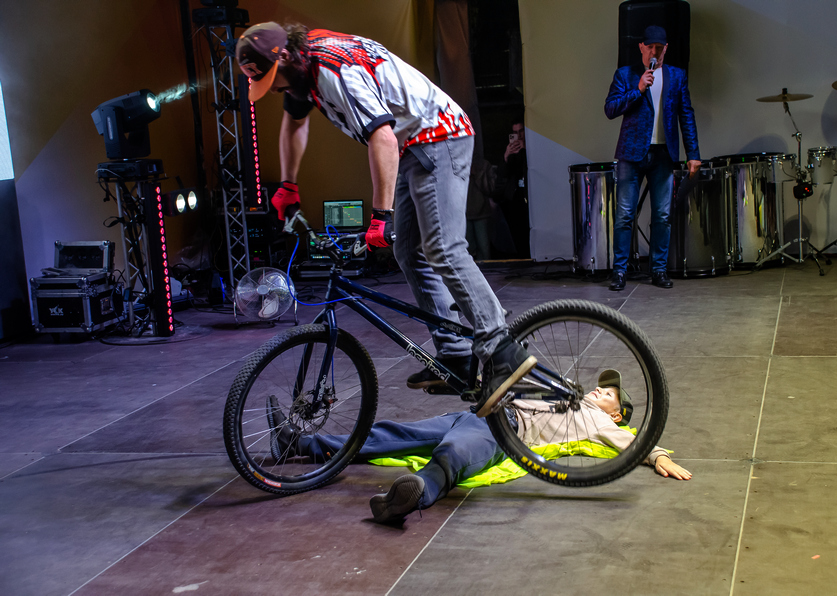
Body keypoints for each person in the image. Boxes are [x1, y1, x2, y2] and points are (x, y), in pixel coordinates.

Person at [235, 22, 535, 415]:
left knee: (443, 247)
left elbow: (383, 137)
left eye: (272, 78)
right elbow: (294, 122)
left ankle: (502, 348)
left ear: (286, 56)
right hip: (413, 146)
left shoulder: (333, 71)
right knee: (409, 253)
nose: (273, 88)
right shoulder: (301, 69)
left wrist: (381, 215)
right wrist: (288, 185)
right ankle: (456, 355)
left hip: (440, 135)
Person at [266, 369, 691, 524]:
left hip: (504, 429)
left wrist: (658, 457)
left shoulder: (600, 422)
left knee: (455, 454)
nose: (600, 391)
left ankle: (414, 496)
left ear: (616, 414)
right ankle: (299, 442)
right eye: (602, 387)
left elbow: (634, 443)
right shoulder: (569, 393)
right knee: (390, 434)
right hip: (477, 412)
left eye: (609, 394)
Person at [604, 25, 701, 291]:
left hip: (663, 154)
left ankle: (658, 269)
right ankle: (619, 271)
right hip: (631, 154)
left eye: (659, 48)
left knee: (662, 215)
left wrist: (693, 154)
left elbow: (686, 115)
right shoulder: (625, 74)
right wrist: (638, 89)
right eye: (650, 47)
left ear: (665, 48)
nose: (654, 52)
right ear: (641, 47)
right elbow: (610, 109)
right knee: (625, 215)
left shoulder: (677, 76)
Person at [498, 117, 530, 258]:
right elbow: (503, 174)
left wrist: (525, 149)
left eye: (521, 131)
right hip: (514, 196)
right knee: (517, 230)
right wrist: (506, 156)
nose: (519, 135)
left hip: (530, 194)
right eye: (515, 132)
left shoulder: (531, 147)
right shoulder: (511, 150)